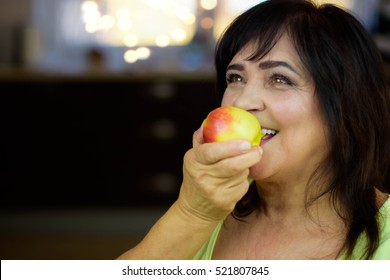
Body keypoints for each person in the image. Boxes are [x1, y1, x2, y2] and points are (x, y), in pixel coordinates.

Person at [117, 0, 390, 260]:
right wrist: (192, 213)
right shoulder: (210, 203)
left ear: (345, 103)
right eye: (235, 78)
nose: (242, 102)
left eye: (280, 79)